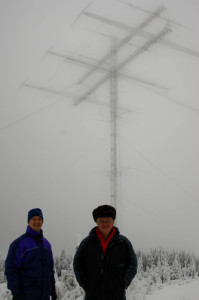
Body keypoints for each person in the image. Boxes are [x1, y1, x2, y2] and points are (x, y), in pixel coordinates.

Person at [73, 204, 137, 300]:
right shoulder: (87, 243)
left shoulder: (123, 243)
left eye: (108, 221)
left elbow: (132, 264)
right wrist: (86, 284)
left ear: (113, 221)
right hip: (92, 296)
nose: (104, 224)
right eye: (101, 221)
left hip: (117, 296)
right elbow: (78, 264)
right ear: (96, 222)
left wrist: (122, 284)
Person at [5, 208, 57, 300]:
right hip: (26, 295)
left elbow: (50, 270)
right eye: (34, 219)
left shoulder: (47, 245)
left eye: (39, 219)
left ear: (42, 221)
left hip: (45, 296)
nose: (37, 221)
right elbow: (11, 269)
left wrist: (52, 289)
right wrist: (16, 293)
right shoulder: (19, 244)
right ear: (29, 221)